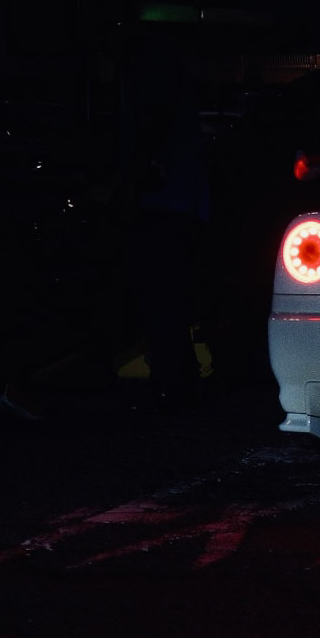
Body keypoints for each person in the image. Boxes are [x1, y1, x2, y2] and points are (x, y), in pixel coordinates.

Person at [115, 23, 211, 412]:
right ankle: (177, 375)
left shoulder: (150, 80)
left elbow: (145, 135)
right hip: (181, 205)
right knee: (172, 294)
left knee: (159, 294)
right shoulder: (174, 83)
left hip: (161, 204)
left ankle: (171, 377)